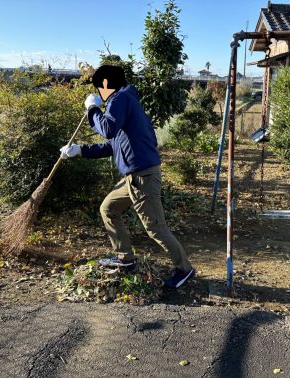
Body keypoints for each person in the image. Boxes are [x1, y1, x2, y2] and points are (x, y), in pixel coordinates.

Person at [59, 65, 194, 289]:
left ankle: (184, 269)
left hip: (142, 176)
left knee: (155, 228)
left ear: (106, 85)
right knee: (108, 209)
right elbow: (111, 144)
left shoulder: (120, 99)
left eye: (99, 89)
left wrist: (92, 109)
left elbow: (108, 129)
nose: (99, 95)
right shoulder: (124, 105)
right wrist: (80, 151)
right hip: (133, 177)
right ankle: (125, 259)